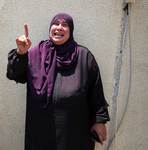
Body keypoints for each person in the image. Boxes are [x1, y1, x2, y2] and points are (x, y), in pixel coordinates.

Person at [7, 13, 110, 150]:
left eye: (65, 25)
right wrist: (21, 52)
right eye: (56, 23)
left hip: (74, 132)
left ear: (71, 30)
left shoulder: (84, 56)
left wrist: (99, 121)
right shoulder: (35, 54)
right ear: (50, 28)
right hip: (40, 131)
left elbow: (96, 91)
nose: (59, 27)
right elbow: (14, 75)